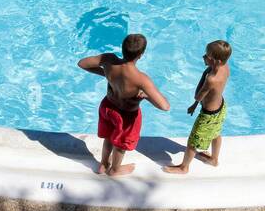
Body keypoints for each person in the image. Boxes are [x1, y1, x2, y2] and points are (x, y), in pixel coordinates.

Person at [77, 34, 170, 177]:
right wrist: (145, 95)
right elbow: (164, 106)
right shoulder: (141, 79)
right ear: (141, 55)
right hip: (126, 117)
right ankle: (114, 169)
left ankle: (103, 164)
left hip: (108, 107)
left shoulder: (109, 60)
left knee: (108, 137)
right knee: (120, 144)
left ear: (122, 49)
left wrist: (106, 74)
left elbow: (82, 63)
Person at [164, 40, 232, 174]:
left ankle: (184, 168)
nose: (204, 57)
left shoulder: (211, 79)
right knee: (216, 134)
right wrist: (209, 68)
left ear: (217, 61)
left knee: (193, 142)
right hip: (221, 107)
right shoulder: (225, 68)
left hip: (208, 114)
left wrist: (194, 104)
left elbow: (198, 96)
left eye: (207, 56)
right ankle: (214, 159)